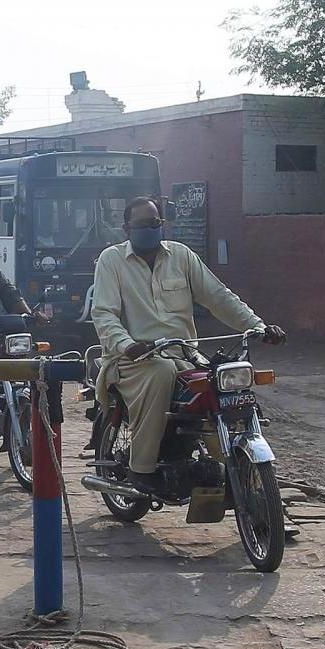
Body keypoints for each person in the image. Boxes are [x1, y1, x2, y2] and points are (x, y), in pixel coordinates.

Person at [88, 196, 283, 496]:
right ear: (127, 228)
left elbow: (218, 296)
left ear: (162, 224)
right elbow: (104, 314)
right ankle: (142, 469)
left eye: (155, 223)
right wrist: (127, 345)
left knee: (221, 384)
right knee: (162, 371)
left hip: (186, 355)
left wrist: (257, 326)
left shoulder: (181, 256)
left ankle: (242, 478)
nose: (150, 229)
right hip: (134, 360)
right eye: (142, 225)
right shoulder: (111, 260)